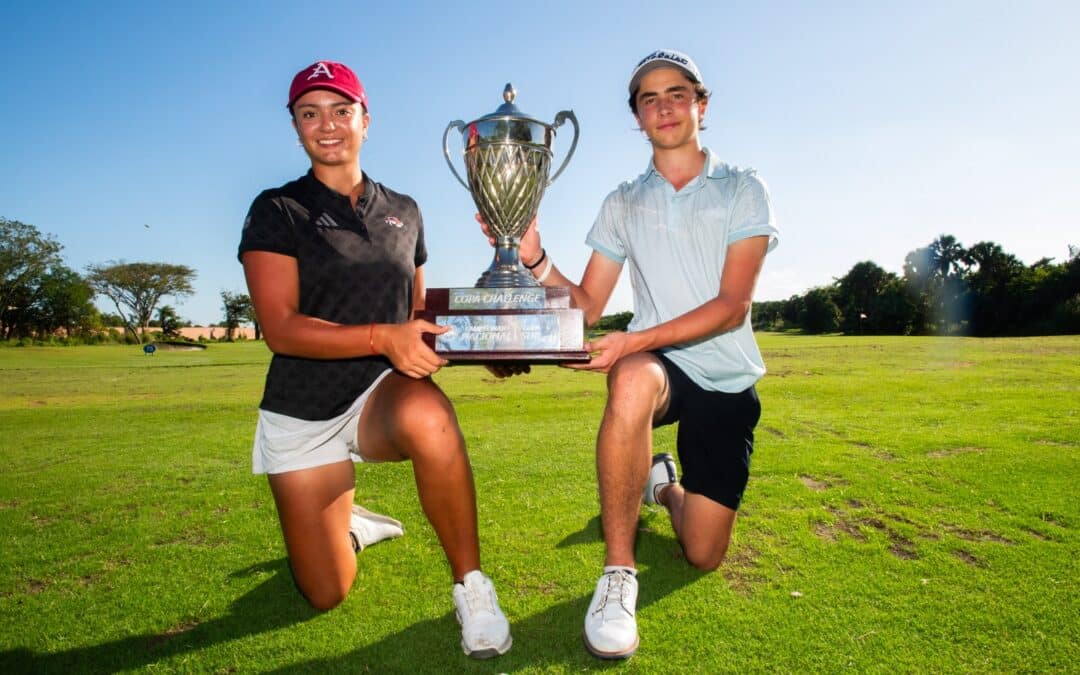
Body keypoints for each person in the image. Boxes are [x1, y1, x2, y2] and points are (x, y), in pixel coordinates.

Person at [481, 48, 778, 659]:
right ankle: (619, 573)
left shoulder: (744, 188)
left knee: (702, 551)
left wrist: (633, 340)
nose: (664, 107)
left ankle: (663, 484)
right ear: (636, 116)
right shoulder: (622, 201)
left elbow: (731, 307)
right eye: (649, 98)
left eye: (676, 94)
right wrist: (533, 256)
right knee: (632, 380)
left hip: (725, 380)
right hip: (664, 369)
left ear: (701, 104)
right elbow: (587, 303)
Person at [238, 60, 511, 659]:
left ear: (366, 120)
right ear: (296, 127)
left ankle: (472, 587)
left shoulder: (405, 211)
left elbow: (416, 317)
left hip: (381, 396)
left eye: (341, 111)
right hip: (303, 409)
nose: (327, 125)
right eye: (310, 114)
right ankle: (353, 527)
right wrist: (382, 337)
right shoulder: (277, 209)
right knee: (326, 592)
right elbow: (280, 328)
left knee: (432, 416)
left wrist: (487, 348)